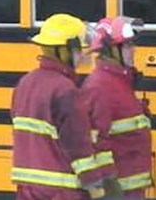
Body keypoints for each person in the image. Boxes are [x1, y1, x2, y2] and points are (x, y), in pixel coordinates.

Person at [11, 13, 120, 200]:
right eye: (78, 50)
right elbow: (77, 143)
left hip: (28, 189)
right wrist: (97, 185)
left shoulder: (25, 83)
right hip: (61, 192)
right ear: (64, 50)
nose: (82, 56)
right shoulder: (65, 89)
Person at [82, 16, 153, 200]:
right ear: (112, 50)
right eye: (128, 46)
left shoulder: (120, 82)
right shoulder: (99, 87)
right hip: (118, 192)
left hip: (131, 190)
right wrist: (109, 187)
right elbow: (96, 143)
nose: (134, 50)